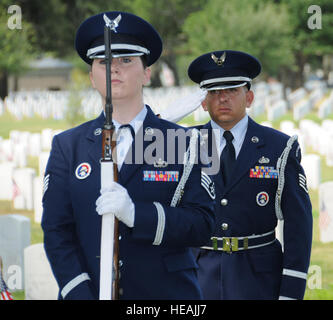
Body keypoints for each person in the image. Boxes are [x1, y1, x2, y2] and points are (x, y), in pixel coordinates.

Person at [41, 11, 215, 300]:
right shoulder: (67, 146)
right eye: (103, 62)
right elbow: (57, 230)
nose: (114, 69)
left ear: (147, 73)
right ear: (92, 76)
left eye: (126, 60)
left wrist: (138, 215)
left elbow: (202, 225)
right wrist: (80, 294)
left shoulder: (184, 142)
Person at [187, 50, 313, 300]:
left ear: (249, 97)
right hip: (197, 275)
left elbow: (299, 225)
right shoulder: (180, 145)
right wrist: (157, 124)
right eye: (213, 92)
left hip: (258, 278)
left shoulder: (279, 147)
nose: (222, 98)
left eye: (232, 90)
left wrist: (291, 291)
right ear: (203, 102)